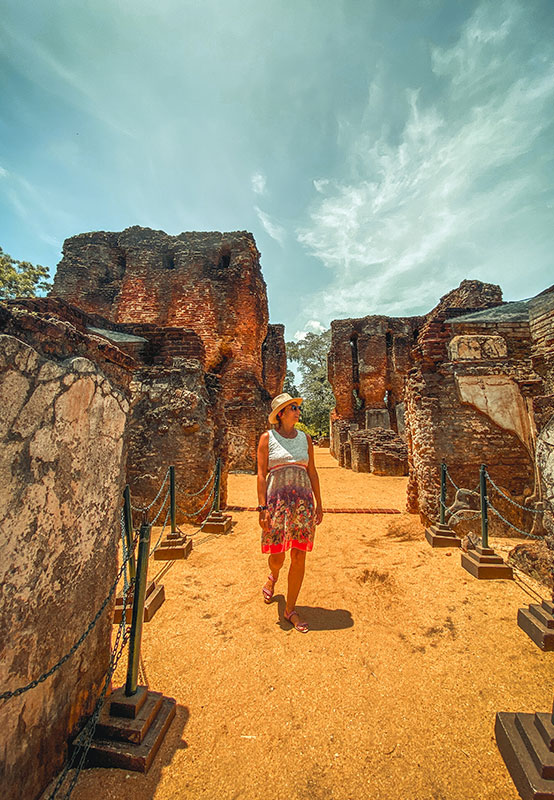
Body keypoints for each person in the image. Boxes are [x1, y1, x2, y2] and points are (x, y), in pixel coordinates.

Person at [256, 392, 323, 633]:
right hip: (276, 504)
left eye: (297, 407)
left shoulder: (306, 439)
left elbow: (312, 472)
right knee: (277, 557)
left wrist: (319, 503)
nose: (297, 411)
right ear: (281, 414)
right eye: (293, 407)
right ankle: (273, 576)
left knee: (299, 555)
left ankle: (290, 609)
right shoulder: (267, 438)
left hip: (302, 504)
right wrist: (262, 508)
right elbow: (261, 474)